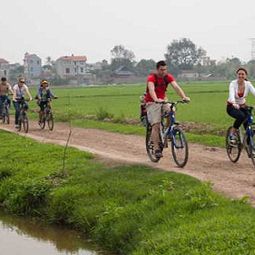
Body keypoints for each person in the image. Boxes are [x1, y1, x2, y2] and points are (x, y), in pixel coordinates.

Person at [144, 60, 190, 158]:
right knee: (156, 125)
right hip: (152, 102)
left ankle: (169, 132)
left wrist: (184, 97)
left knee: (171, 110)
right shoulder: (151, 78)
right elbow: (151, 90)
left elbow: (176, 87)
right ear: (157, 70)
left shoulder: (168, 77)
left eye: (165, 69)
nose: (163, 72)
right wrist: (156, 99)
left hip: (163, 101)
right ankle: (156, 149)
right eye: (161, 70)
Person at [227, 67, 255, 143]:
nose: (241, 76)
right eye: (239, 74)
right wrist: (234, 103)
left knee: (249, 120)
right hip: (232, 106)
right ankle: (232, 134)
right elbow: (231, 94)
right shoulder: (233, 83)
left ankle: (249, 144)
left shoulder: (248, 84)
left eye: (243, 74)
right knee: (241, 116)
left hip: (242, 106)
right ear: (237, 75)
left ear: (246, 76)